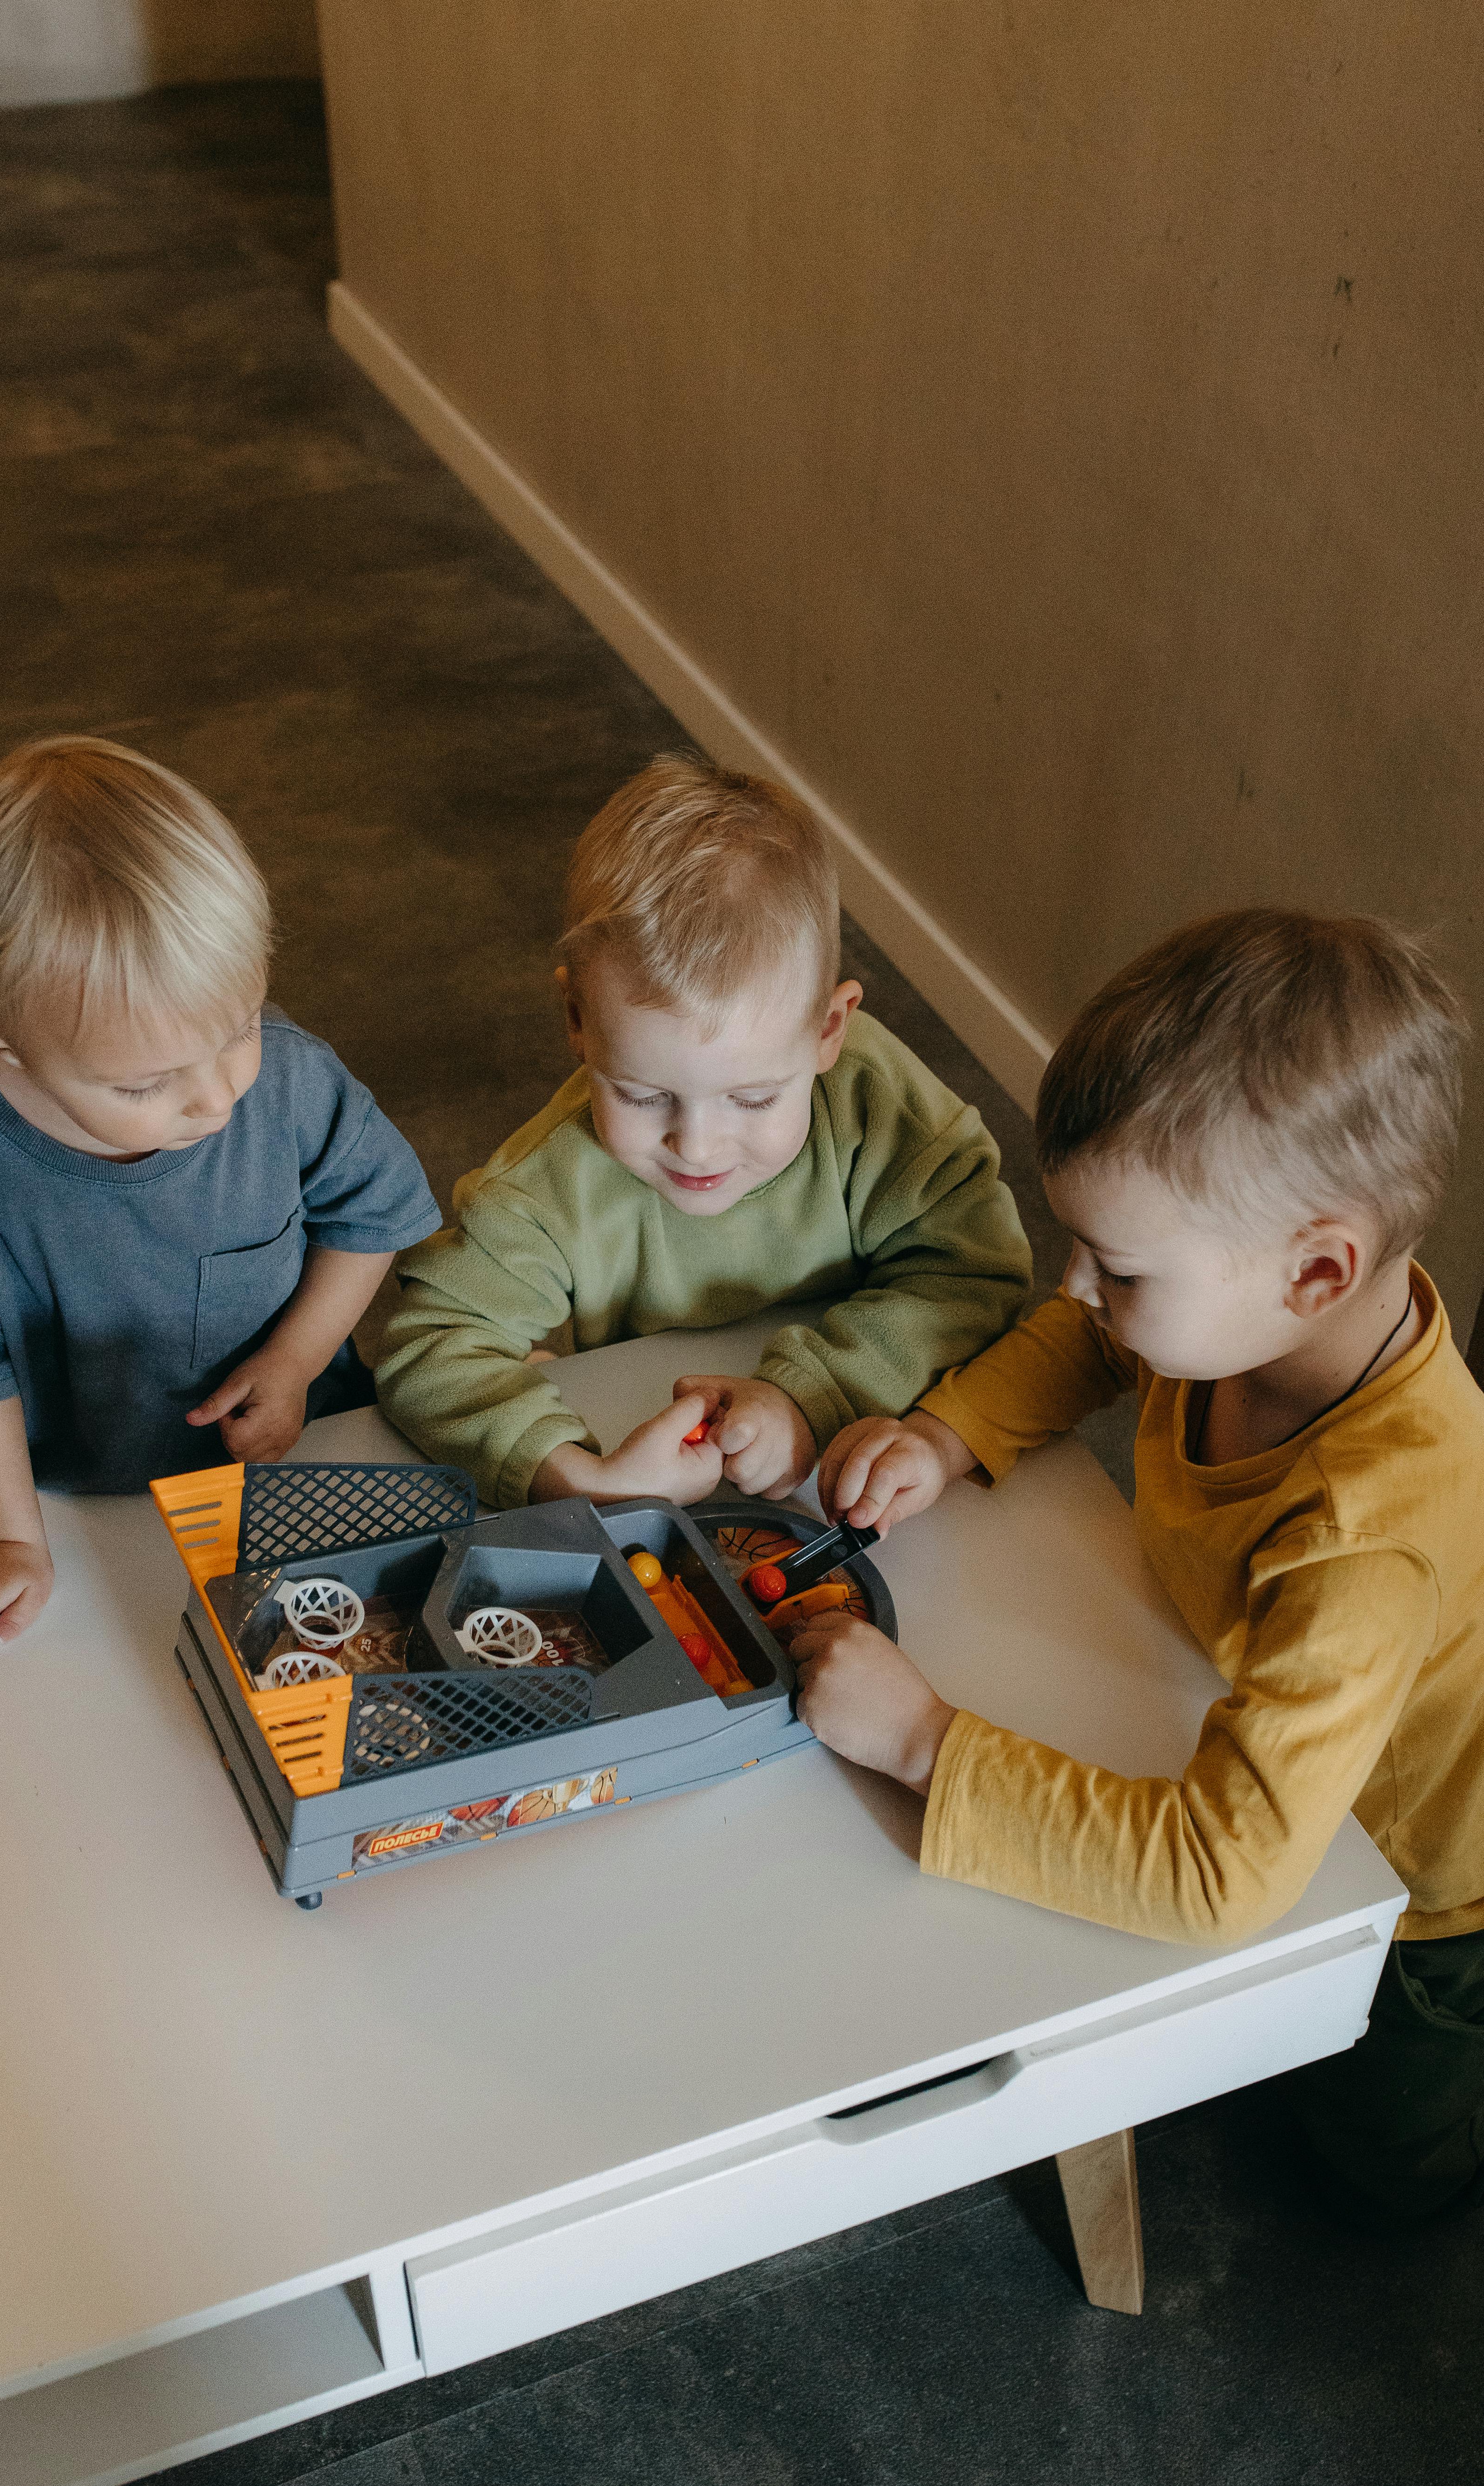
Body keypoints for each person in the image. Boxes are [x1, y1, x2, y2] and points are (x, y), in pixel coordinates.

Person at [793, 908, 1484, 2225]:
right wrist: (951, 1433)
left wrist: (928, 1740)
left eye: (1116, 1265)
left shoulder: (1361, 1541)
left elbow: (1223, 1874)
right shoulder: (1267, 1314)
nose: (1076, 1286)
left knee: (1377, 2161)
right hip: (1283, 1741)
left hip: (1432, 1890)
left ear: (1316, 1267)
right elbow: (1098, 1344)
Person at [0, 736, 439, 1677]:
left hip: (301, 1450)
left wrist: (297, 1360)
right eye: (148, 1084)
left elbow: (369, 1215)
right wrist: (13, 1540)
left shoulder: (289, 1082)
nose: (218, 1099)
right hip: (87, 1491)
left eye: (239, 1028)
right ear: (0, 1043)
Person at [376, 753, 1031, 1509]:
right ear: (577, 1022)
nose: (697, 1145)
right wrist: (572, 1474)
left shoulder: (882, 1112)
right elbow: (430, 1345)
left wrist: (813, 1397)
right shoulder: (543, 1185)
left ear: (828, 1030)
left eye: (753, 1098)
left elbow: (973, 1271)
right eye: (643, 1094)